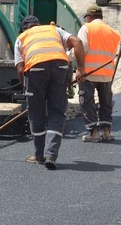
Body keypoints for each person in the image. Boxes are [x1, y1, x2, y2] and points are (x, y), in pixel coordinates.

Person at [15, 15, 85, 170]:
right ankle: (51, 154)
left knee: (37, 114)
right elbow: (78, 42)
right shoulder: (54, 30)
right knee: (57, 113)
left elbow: (20, 68)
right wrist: (80, 69)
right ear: (39, 25)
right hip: (60, 67)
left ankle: (39, 155)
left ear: (24, 29)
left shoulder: (21, 38)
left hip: (36, 69)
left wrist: (25, 86)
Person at [77, 5, 121, 142]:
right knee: (106, 102)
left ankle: (93, 132)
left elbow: (81, 48)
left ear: (89, 17)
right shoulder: (114, 32)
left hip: (88, 73)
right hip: (107, 73)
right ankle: (107, 131)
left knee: (87, 102)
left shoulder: (87, 28)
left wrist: (78, 67)